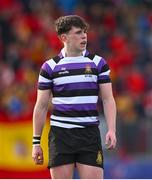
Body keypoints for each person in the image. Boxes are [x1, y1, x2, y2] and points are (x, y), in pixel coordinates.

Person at [32, 15, 116, 179]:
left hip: (89, 134)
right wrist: (36, 143)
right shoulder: (49, 67)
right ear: (64, 37)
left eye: (84, 32)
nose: (84, 36)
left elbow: (108, 99)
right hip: (61, 136)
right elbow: (41, 106)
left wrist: (112, 129)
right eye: (78, 32)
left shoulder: (99, 63)